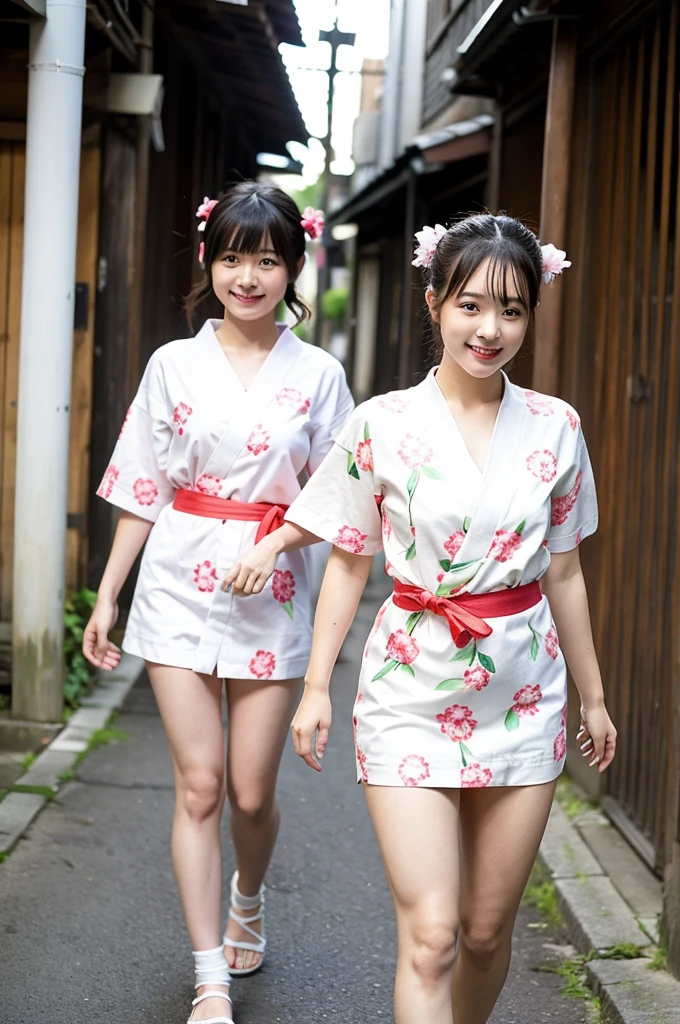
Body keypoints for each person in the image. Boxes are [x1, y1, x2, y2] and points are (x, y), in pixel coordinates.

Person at [222, 213, 617, 1024]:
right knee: (432, 934)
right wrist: (317, 690)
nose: (491, 328)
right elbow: (350, 558)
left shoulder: (558, 426)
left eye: (512, 309)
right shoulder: (382, 422)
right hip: (409, 691)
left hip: (522, 691)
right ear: (435, 301)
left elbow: (568, 570)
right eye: (471, 304)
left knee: (482, 931)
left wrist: (595, 695)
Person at [82, 181, 353, 1024]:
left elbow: (342, 499)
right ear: (210, 261)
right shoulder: (173, 364)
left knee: (247, 793)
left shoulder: (319, 374)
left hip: (272, 590)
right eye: (233, 257)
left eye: (267, 260)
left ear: (293, 268)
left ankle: (248, 894)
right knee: (197, 786)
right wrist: (108, 595)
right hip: (175, 582)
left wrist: (275, 544)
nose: (248, 276)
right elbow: (143, 485)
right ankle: (208, 975)